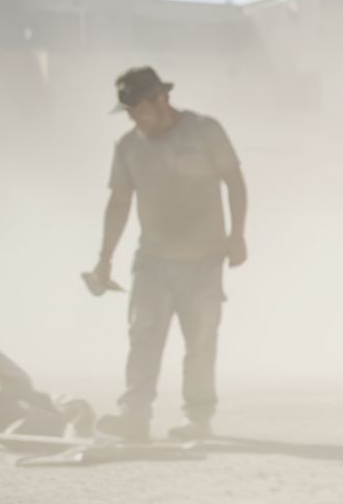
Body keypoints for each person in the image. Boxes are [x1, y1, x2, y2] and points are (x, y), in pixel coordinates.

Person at [89, 66, 247, 441]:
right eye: (129, 112)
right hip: (153, 260)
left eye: (139, 109)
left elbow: (235, 182)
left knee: (201, 339)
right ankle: (134, 414)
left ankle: (198, 417)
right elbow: (119, 202)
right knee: (142, 333)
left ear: (162, 99)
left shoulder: (205, 131)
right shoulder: (128, 148)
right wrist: (104, 258)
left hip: (204, 259)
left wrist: (237, 235)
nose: (134, 118)